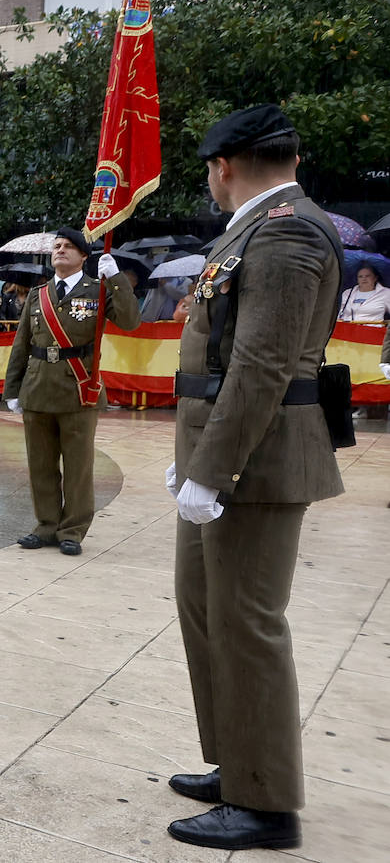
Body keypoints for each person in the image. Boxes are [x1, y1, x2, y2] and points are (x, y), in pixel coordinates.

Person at [164, 105, 343, 852]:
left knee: (247, 623)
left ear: (224, 166)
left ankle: (267, 804)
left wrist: (214, 468)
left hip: (257, 463)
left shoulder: (289, 230)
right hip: (225, 450)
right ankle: (239, 764)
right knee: (205, 609)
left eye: (208, 170)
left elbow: (264, 364)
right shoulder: (257, 228)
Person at [3, 227, 140, 556]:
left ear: (83, 256)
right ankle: (46, 525)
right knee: (41, 464)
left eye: (68, 247)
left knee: (78, 467)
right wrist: (12, 388)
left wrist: (117, 278)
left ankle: (73, 530)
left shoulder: (100, 289)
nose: (60, 250)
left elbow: (131, 321)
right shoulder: (38, 294)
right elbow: (21, 344)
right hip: (37, 388)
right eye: (57, 246)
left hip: (79, 390)